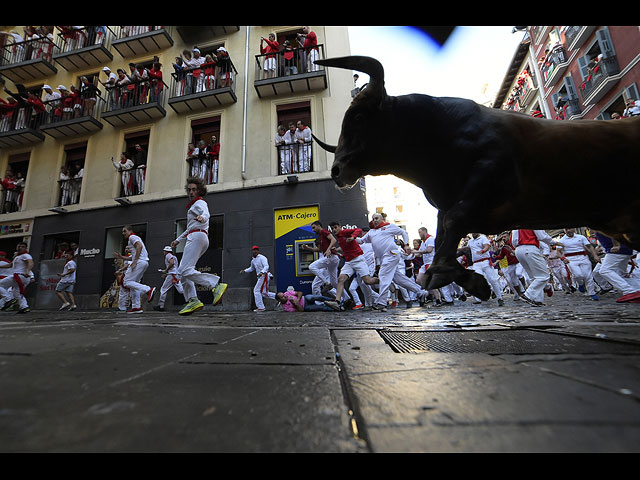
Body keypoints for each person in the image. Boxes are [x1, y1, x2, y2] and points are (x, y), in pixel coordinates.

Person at [171, 177, 228, 315]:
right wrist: (178, 240)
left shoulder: (199, 203)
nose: (191, 192)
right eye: (189, 189)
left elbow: (206, 213)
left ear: (199, 190)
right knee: (184, 271)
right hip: (198, 236)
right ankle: (192, 300)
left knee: (183, 270)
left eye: (194, 189)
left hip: (197, 237)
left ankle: (215, 285)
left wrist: (203, 217)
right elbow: (190, 227)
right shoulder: (194, 205)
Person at [357, 213, 427, 311]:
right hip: (384, 258)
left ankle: (381, 302)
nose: (375, 220)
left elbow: (403, 232)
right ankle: (421, 292)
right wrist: (350, 238)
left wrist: (406, 245)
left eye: (376, 218)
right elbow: (361, 241)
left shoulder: (389, 226)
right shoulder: (371, 232)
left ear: (382, 219)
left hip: (391, 254)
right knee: (399, 279)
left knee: (383, 275)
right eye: (373, 219)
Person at [324, 221, 378, 311]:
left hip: (358, 260)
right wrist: (335, 250)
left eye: (335, 227)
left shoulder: (344, 232)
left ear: (340, 227)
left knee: (367, 281)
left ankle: (382, 280)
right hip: (349, 262)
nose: (334, 230)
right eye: (332, 228)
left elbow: (358, 229)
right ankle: (337, 302)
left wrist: (353, 237)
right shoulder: (339, 238)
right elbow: (346, 249)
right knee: (340, 279)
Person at [511, 229, 562, 306]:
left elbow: (513, 241)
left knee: (533, 277)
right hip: (530, 248)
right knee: (544, 276)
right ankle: (528, 295)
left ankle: (538, 300)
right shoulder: (532, 223)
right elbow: (542, 236)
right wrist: (554, 242)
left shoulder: (516, 227)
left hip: (518, 250)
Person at [114, 225, 156, 314]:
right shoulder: (133, 239)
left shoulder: (132, 237)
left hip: (140, 262)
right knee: (133, 285)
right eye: (122, 231)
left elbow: (139, 246)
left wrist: (135, 261)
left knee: (126, 282)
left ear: (130, 231)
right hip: (143, 262)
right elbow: (132, 257)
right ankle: (136, 307)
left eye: (124, 231)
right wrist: (121, 257)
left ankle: (148, 290)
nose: (123, 233)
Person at [592, 231, 640, 303]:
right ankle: (636, 291)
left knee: (604, 271)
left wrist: (616, 245)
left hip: (617, 251)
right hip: (626, 250)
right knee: (622, 273)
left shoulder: (599, 223)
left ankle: (629, 291)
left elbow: (613, 232)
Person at [558, 228, 600, 301]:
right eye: (566, 229)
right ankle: (580, 284)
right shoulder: (562, 240)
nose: (568, 231)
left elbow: (589, 246)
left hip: (583, 257)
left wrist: (595, 255)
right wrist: (563, 258)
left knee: (588, 276)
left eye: (569, 229)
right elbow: (558, 251)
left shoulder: (581, 237)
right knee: (578, 275)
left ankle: (592, 293)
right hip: (571, 259)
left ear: (573, 229)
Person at [302, 220, 339, 296]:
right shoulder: (321, 236)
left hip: (331, 258)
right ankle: (346, 299)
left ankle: (326, 283)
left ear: (319, 226)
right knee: (334, 283)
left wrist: (329, 250)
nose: (313, 230)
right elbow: (319, 250)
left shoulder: (324, 232)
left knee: (312, 267)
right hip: (333, 259)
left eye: (314, 227)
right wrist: (307, 248)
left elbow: (334, 239)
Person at [468, 233, 504, 306]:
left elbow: (487, 246)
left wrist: (482, 251)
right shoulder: (470, 241)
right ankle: (478, 299)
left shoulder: (483, 238)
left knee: (493, 280)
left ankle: (499, 298)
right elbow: (467, 248)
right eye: (472, 232)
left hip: (485, 262)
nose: (473, 234)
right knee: (476, 280)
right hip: (476, 264)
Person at [0, 242, 34, 314]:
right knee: (17, 294)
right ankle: (24, 307)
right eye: (19, 246)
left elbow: (30, 262)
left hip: (20, 276)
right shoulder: (17, 256)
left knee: (0, 284)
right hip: (20, 277)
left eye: (22, 246)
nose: (20, 248)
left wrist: (27, 271)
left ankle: (8, 299)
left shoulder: (26, 255)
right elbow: (10, 265)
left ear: (25, 248)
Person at [240, 245, 276, 312]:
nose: (255, 251)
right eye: (254, 250)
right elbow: (251, 268)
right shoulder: (253, 260)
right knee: (264, 293)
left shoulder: (262, 258)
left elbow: (266, 266)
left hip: (264, 275)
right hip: (261, 277)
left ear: (258, 251)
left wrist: (262, 272)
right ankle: (279, 297)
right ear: (252, 251)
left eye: (256, 250)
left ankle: (261, 307)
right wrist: (244, 270)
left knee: (256, 290)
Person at [154, 246, 184, 311]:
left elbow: (171, 263)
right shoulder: (173, 256)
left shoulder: (168, 255)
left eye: (164, 251)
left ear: (166, 251)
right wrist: (166, 272)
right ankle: (192, 297)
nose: (163, 252)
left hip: (172, 275)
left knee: (163, 289)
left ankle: (161, 306)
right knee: (181, 290)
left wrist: (166, 270)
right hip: (175, 275)